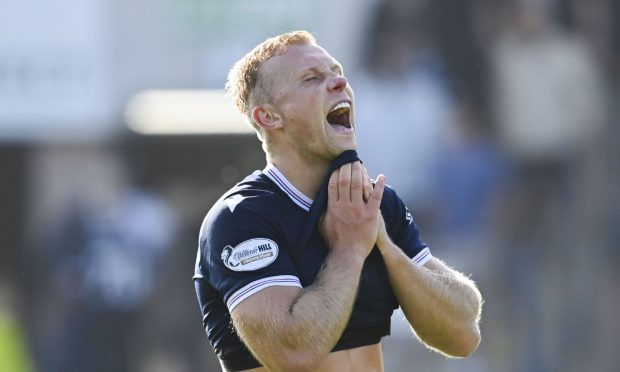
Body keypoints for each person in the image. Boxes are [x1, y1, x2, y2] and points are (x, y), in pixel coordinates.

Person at [193, 30, 482, 372]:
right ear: (268, 117)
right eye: (312, 78)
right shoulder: (240, 218)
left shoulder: (371, 203)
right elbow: (294, 353)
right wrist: (348, 251)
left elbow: (462, 334)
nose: (339, 82)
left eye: (336, 72)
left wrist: (385, 245)